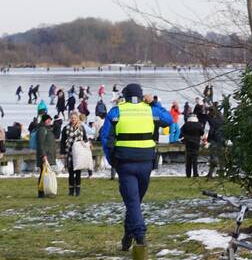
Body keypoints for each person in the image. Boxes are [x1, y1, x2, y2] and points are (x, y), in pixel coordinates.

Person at [99, 83, 173, 250]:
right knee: (134, 201)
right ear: (141, 96)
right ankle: (131, 236)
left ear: (124, 95)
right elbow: (169, 120)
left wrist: (112, 161)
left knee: (133, 202)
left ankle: (137, 235)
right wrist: (154, 103)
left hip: (125, 162)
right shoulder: (150, 110)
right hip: (146, 161)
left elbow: (105, 138)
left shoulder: (116, 111)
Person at [63, 112, 89, 197]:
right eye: (72, 118)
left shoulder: (81, 128)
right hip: (69, 152)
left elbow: (85, 139)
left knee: (78, 172)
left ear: (77, 118)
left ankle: (77, 190)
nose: (73, 119)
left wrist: (84, 143)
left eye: (75, 118)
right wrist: (62, 152)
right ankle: (71, 190)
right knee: (71, 172)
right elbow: (63, 141)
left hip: (79, 153)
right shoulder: (65, 128)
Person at [35, 113, 57, 198]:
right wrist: (43, 155)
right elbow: (40, 143)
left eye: (50, 120)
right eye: (48, 120)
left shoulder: (47, 129)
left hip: (49, 155)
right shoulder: (42, 129)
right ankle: (41, 192)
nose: (50, 121)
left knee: (46, 174)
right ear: (44, 120)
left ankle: (46, 190)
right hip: (45, 156)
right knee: (43, 174)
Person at [181, 113, 205, 177]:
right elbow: (202, 132)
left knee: (188, 158)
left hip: (188, 142)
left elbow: (182, 132)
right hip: (196, 142)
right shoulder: (198, 124)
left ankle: (188, 174)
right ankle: (195, 173)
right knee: (195, 159)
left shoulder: (186, 124)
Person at [206, 105, 225, 178]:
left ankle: (210, 173)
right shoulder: (222, 119)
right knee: (221, 157)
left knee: (213, 157)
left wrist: (208, 139)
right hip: (222, 139)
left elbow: (211, 131)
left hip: (214, 139)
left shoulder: (213, 120)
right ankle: (222, 173)